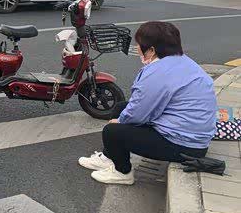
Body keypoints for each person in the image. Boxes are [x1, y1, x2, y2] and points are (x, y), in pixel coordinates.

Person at [79, 21, 217, 185]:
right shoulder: (183, 62)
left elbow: (139, 112)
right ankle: (108, 158)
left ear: (151, 50)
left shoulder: (158, 72)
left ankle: (122, 172)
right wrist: (123, 117)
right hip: (192, 139)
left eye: (139, 45)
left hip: (184, 146)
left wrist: (120, 121)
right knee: (121, 107)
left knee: (112, 132)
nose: (137, 48)